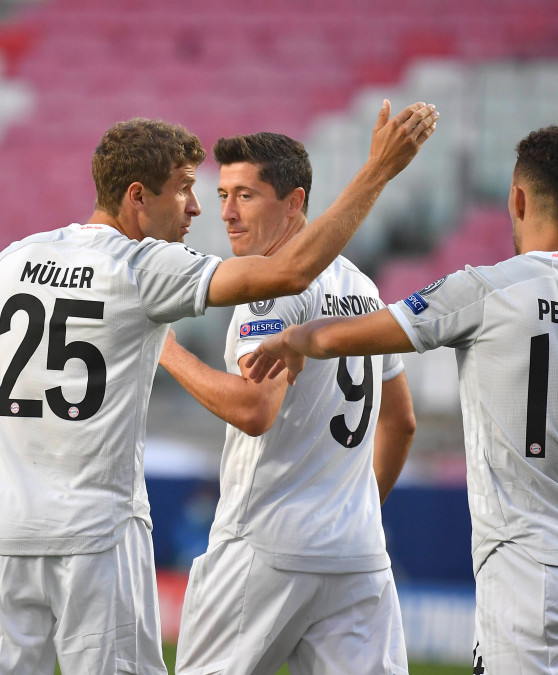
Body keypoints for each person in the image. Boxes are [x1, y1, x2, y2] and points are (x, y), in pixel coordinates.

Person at [0, 100, 438, 675]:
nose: (200, 208)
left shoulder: (14, 260)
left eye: (234, 195)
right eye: (185, 188)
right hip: (99, 534)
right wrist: (378, 169)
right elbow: (289, 273)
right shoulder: (146, 269)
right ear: (138, 196)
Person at [246, 126, 558, 674]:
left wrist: (296, 337)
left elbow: (362, 331)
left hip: (534, 567)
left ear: (517, 199)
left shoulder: (485, 288)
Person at [157, 131, 416, 675]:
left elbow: (255, 409)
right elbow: (402, 422)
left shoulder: (273, 288)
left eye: (245, 195)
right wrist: (353, 508)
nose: (226, 212)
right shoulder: (364, 288)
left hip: (267, 544)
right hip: (357, 553)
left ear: (295, 202)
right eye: (223, 194)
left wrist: (167, 352)